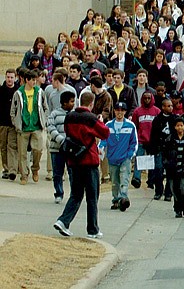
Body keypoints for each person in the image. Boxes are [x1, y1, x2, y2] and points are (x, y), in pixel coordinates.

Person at [53, 91, 110, 238]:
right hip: (89, 160)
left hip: (73, 160)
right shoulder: (90, 118)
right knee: (92, 196)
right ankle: (93, 229)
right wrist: (101, 122)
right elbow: (104, 133)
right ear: (91, 104)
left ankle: (63, 221)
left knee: (76, 193)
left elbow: (67, 132)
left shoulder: (70, 116)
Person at [10, 69, 49, 185]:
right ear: (26, 80)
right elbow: (13, 110)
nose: (34, 82)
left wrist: (44, 119)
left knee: (38, 150)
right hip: (23, 127)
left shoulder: (40, 92)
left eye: (35, 80)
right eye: (32, 80)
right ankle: (24, 175)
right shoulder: (18, 93)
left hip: (36, 126)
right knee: (22, 153)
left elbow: (45, 108)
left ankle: (35, 169)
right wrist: (16, 123)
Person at [163, 117, 184, 218]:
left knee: (183, 188)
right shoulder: (169, 139)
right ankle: (178, 209)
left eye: (181, 125)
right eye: (178, 126)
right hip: (172, 169)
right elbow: (164, 154)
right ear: (174, 127)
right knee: (174, 190)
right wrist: (167, 164)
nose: (180, 128)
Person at [47, 91, 75, 203]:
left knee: (72, 172)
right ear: (64, 102)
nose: (73, 103)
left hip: (71, 149)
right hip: (57, 148)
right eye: (71, 101)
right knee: (57, 173)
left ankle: (74, 194)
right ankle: (58, 193)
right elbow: (50, 127)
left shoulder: (74, 114)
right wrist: (61, 140)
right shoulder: (54, 114)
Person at [131, 90, 161, 189]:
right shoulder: (137, 111)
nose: (147, 100)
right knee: (139, 160)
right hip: (141, 139)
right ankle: (136, 178)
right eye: (145, 98)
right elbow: (135, 125)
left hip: (153, 140)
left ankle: (151, 180)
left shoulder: (157, 111)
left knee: (152, 162)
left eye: (149, 98)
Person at [149, 98, 177, 201]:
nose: (170, 108)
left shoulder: (175, 119)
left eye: (171, 106)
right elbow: (153, 135)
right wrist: (153, 149)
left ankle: (168, 193)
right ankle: (158, 191)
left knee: (170, 171)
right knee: (158, 170)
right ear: (163, 107)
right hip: (159, 148)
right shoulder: (157, 119)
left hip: (171, 149)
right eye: (168, 106)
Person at [0, 69, 18, 180]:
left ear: (15, 78)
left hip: (12, 124)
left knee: (12, 146)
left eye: (11, 77)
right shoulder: (1, 90)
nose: (9, 79)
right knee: (3, 147)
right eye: (8, 77)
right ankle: (5, 168)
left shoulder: (17, 92)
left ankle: (12, 170)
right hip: (2, 123)